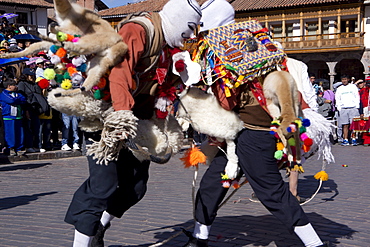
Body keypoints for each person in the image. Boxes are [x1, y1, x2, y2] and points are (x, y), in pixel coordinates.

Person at [183, 1, 327, 247]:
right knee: (213, 183)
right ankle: (200, 237)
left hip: (254, 134)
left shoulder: (224, 53)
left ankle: (314, 243)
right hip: (243, 133)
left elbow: (227, 102)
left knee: (271, 191)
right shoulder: (260, 45)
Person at [63, 0, 202, 246]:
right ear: (180, 19)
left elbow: (164, 88)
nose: (191, 34)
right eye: (190, 27)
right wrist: (123, 118)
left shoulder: (167, 45)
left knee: (135, 187)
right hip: (107, 117)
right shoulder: (138, 30)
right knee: (102, 186)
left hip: (136, 121)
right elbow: (119, 74)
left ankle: (98, 229)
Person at [0, 78, 26, 156]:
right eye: (14, 85)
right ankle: (10, 148)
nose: (16, 86)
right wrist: (17, 100)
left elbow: (23, 99)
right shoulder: (3, 94)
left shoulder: (17, 94)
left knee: (19, 134)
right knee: (10, 134)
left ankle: (19, 148)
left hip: (18, 116)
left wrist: (16, 100)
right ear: (9, 86)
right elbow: (11, 101)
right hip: (8, 117)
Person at [335, 74, 360, 146]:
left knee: (353, 124)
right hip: (343, 108)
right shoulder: (339, 88)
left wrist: (356, 107)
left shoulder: (353, 87)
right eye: (343, 79)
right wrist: (339, 108)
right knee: (345, 125)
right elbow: (337, 99)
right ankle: (345, 139)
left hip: (352, 108)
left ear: (348, 79)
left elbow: (356, 96)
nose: (344, 81)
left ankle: (354, 138)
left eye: (345, 79)